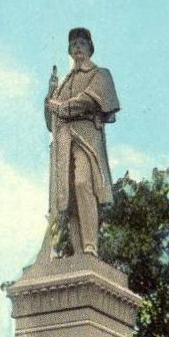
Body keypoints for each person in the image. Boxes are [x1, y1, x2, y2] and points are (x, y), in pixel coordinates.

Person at [44, 27, 120, 258]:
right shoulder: (63, 83)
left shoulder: (100, 73)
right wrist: (49, 95)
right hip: (63, 142)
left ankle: (90, 245)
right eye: (73, 44)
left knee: (82, 184)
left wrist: (61, 106)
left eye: (82, 43)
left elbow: (90, 99)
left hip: (86, 137)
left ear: (89, 48)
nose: (77, 47)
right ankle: (68, 249)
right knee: (64, 198)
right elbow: (50, 121)